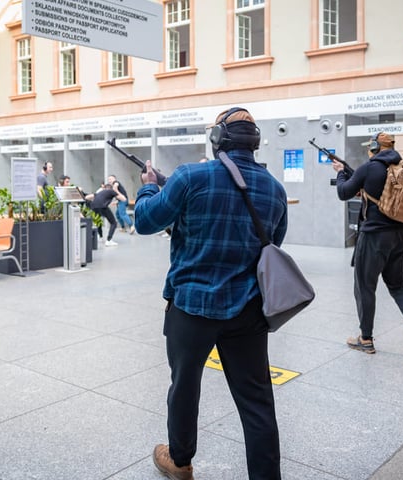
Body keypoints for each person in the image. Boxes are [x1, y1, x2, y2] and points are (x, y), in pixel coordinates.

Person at [135, 107, 285, 480]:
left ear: (217, 138)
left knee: (184, 387)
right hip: (249, 311)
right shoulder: (274, 189)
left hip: (191, 307)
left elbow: (143, 221)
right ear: (255, 142)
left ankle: (181, 461)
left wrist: (150, 185)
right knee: (257, 404)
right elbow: (272, 246)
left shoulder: (189, 176)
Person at [332, 131, 403, 359]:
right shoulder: (402, 168)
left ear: (375, 147)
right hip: (399, 236)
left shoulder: (369, 168)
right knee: (398, 285)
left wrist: (340, 174)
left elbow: (343, 192)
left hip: (374, 237)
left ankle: (365, 339)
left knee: (365, 286)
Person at [84, 182, 124, 246]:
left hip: (94, 207)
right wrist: (116, 191)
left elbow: (87, 197)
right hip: (102, 207)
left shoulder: (100, 192)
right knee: (113, 223)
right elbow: (123, 199)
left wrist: (89, 203)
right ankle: (109, 240)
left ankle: (100, 237)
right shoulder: (111, 191)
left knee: (98, 221)